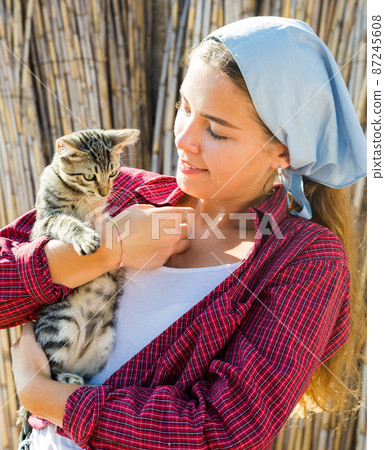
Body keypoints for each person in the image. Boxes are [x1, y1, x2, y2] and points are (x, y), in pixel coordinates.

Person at [3, 16, 366, 449]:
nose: (185, 139)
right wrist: (104, 252)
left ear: (283, 151)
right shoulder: (123, 193)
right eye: (184, 107)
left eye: (216, 130)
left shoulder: (305, 260)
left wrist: (47, 397)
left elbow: (223, 431)